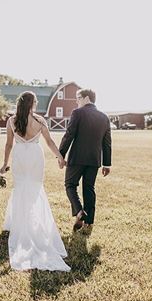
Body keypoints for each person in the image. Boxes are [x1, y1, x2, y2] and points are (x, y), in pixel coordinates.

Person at [0, 91, 70, 272]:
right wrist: (60, 157)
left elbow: (9, 144)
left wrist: (4, 164)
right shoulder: (40, 121)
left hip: (19, 157)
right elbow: (49, 142)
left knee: (20, 188)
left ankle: (19, 222)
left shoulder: (12, 121)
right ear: (33, 104)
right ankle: (30, 222)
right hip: (35, 157)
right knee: (34, 189)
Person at [59, 88, 112, 233]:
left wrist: (61, 154)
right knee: (89, 189)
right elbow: (107, 143)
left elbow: (69, 135)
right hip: (94, 160)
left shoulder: (78, 113)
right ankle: (89, 222)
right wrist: (107, 164)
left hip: (77, 158)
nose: (76, 101)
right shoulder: (104, 117)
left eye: (78, 98)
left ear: (86, 98)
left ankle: (79, 212)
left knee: (70, 185)